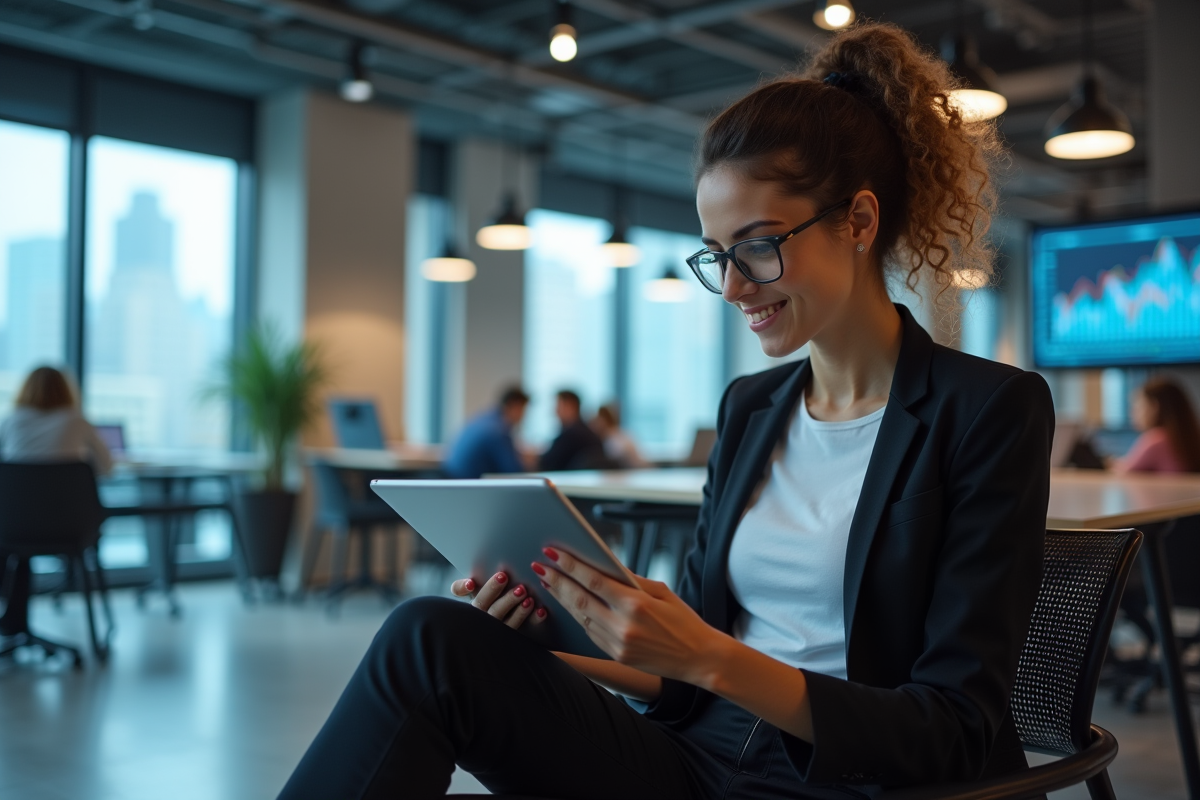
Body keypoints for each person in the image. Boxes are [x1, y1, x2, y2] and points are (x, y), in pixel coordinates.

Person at [279, 23, 1053, 800]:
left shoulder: (987, 411)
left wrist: (710, 658)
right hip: (698, 758)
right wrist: (560, 634)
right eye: (716, 255)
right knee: (433, 637)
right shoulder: (752, 409)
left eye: (757, 246)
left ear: (857, 220)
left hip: (850, 781)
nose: (733, 287)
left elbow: (954, 729)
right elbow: (683, 684)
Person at [0, 366, 113, 638]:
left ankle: (12, 619)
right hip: (69, 528)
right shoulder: (77, 421)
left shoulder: (11, 421)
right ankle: (16, 620)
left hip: (14, 527)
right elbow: (106, 469)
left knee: (15, 547)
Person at [1112, 377, 1200, 474]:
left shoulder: (1155, 439)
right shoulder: (1187, 437)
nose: (1132, 412)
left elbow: (1124, 474)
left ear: (1154, 407)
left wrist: (1110, 464)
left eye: (1138, 406)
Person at [442, 386, 531, 479]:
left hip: (454, 477)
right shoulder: (498, 430)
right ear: (515, 406)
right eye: (523, 410)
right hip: (467, 482)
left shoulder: (485, 419)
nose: (523, 416)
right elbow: (513, 471)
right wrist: (527, 462)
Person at [538, 389, 605, 471]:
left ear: (570, 407)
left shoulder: (571, 435)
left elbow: (547, 462)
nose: (555, 411)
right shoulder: (588, 432)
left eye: (558, 406)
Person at [592, 403, 649, 469]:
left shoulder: (613, 437)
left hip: (636, 470)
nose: (595, 423)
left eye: (598, 419)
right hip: (633, 469)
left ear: (604, 420)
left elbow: (614, 458)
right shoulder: (617, 433)